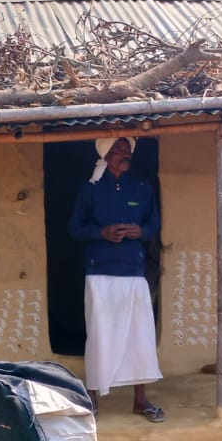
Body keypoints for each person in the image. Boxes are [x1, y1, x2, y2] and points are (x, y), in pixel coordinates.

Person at [69, 136, 165, 422]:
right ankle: (94, 397)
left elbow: (154, 224)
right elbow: (75, 228)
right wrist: (102, 233)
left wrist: (140, 231)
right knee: (100, 334)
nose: (124, 154)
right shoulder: (90, 189)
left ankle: (141, 400)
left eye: (127, 149)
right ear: (106, 154)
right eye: (118, 149)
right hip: (100, 271)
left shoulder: (142, 188)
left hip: (133, 271)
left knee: (140, 335)